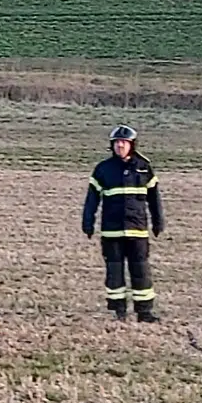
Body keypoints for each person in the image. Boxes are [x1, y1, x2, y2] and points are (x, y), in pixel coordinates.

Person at [82, 124, 165, 322]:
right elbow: (91, 199)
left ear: (132, 145)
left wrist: (158, 221)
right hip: (112, 232)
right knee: (114, 272)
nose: (120, 146)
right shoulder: (103, 169)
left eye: (124, 143)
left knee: (141, 271)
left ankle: (144, 312)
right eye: (117, 143)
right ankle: (119, 311)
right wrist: (88, 222)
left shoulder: (144, 167)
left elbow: (154, 198)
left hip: (137, 231)